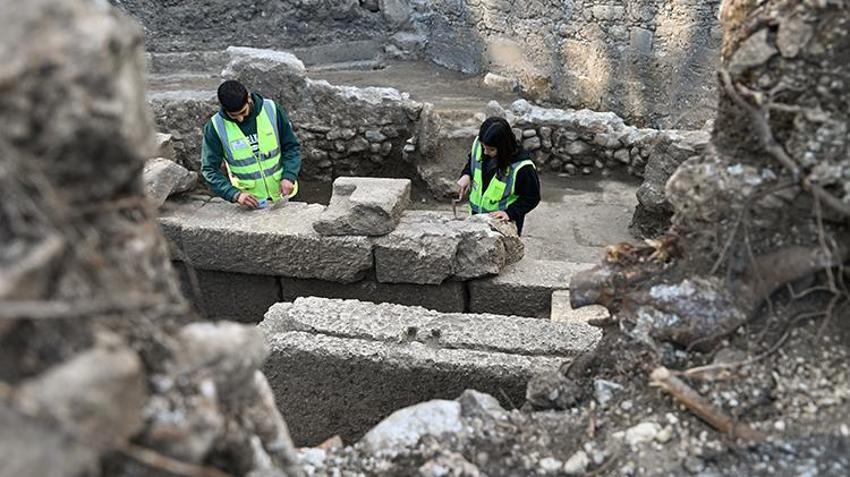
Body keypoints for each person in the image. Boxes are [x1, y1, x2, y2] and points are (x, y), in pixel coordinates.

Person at [201, 80, 302, 208]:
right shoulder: (215, 127)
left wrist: (289, 176)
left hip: (286, 195)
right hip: (251, 203)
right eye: (233, 116)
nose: (240, 119)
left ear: (248, 98)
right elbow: (209, 169)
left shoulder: (271, 109)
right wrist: (234, 194)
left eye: (243, 112)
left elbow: (291, 147)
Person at [457, 117, 541, 235]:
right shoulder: (481, 143)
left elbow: (531, 198)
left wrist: (510, 213)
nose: (485, 152)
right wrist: (466, 174)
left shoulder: (522, 167)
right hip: (476, 219)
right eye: (484, 147)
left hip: (502, 226)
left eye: (491, 150)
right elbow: (473, 160)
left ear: (503, 147)